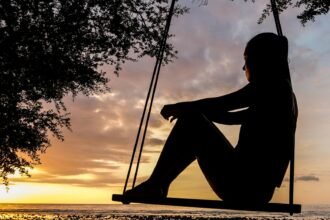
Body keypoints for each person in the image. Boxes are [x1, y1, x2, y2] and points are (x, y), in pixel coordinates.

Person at [125, 32, 298, 204]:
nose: (243, 68)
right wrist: (195, 111)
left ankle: (156, 185)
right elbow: (229, 117)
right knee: (193, 119)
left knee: (191, 120)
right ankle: (158, 185)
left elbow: (227, 102)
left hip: (244, 185)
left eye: (246, 59)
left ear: (260, 60)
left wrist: (185, 108)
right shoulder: (280, 97)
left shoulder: (274, 86)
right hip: (256, 191)